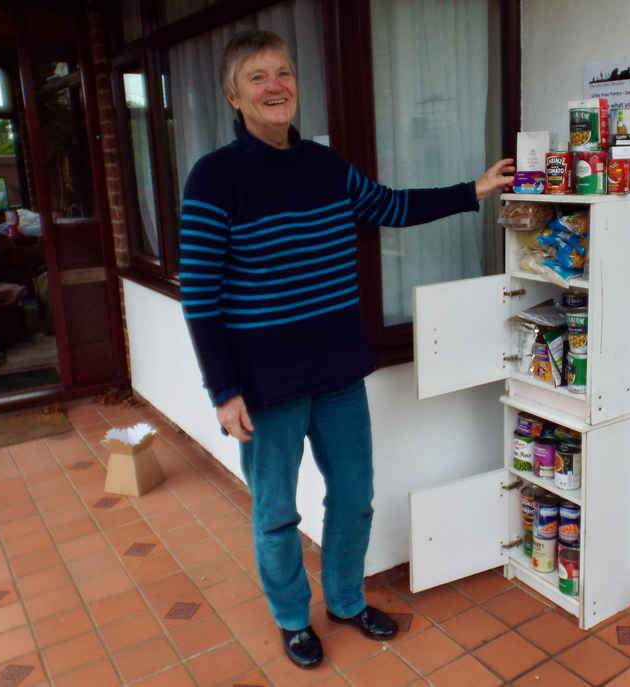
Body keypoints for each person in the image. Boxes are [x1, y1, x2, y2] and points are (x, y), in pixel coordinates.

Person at [179, 29, 514, 670]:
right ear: (233, 95)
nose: (276, 86)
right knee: (276, 511)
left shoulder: (325, 167)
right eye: (258, 77)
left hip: (337, 370)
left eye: (284, 73)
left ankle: (344, 600)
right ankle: (289, 617)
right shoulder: (214, 179)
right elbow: (200, 295)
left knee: (354, 495)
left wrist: (471, 191)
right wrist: (223, 390)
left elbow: (388, 205)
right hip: (265, 382)